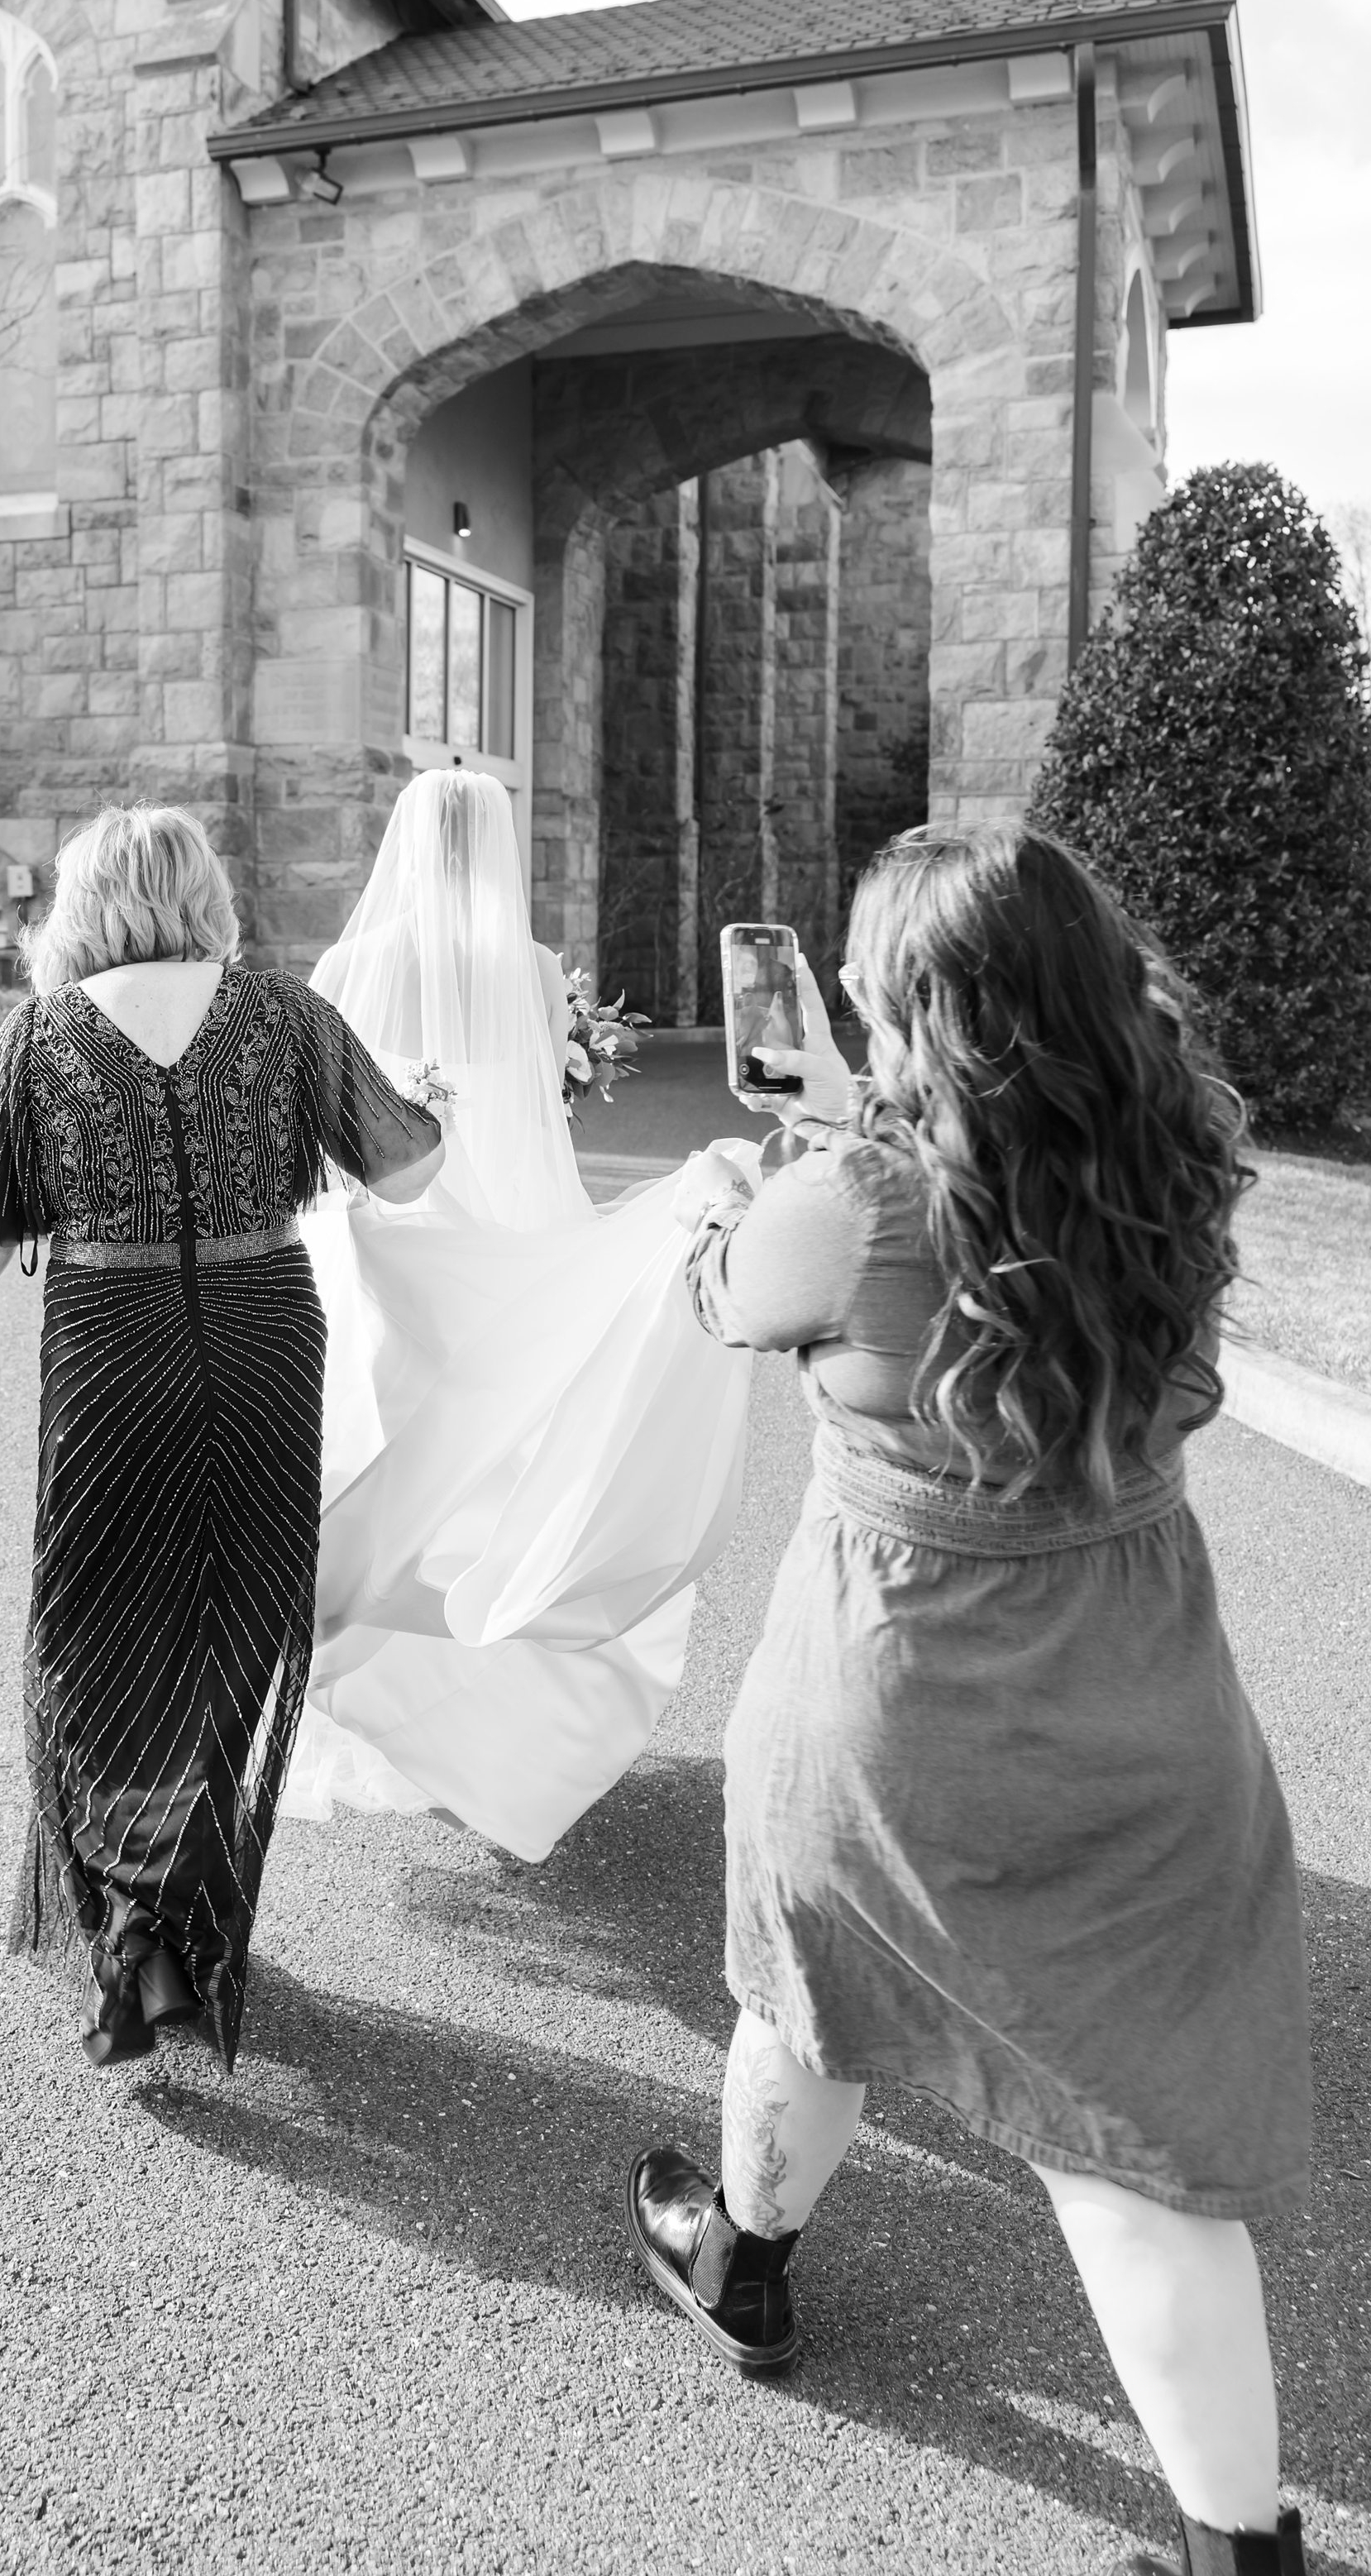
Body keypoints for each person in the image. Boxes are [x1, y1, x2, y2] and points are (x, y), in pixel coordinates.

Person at [624, 826, 1310, 2576]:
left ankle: (744, 2259)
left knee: (816, 1974)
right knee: (1130, 2146)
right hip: (1146, 1689)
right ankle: (1245, 2549)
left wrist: (732, 1194)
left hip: (899, 1692)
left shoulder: (850, 1201)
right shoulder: (1177, 1162)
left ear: (915, 1007)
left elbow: (729, 1298)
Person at [0, 805, 442, 2070]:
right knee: (236, 1611)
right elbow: (405, 1173)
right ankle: (168, 1911)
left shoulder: (41, 1038)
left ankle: (141, 1928)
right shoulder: (286, 1015)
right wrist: (431, 1106)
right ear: (203, 894)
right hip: (260, 1344)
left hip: (110, 1346)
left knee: (98, 1627)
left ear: (84, 905)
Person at [284, 765, 752, 1859]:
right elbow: (543, 1105)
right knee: (502, 1486)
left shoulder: (352, 963)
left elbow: (320, 1114)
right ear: (494, 844)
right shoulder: (534, 969)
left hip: (390, 1248)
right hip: (508, 1240)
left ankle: (372, 1711)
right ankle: (498, 1721)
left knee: (376, 1471)